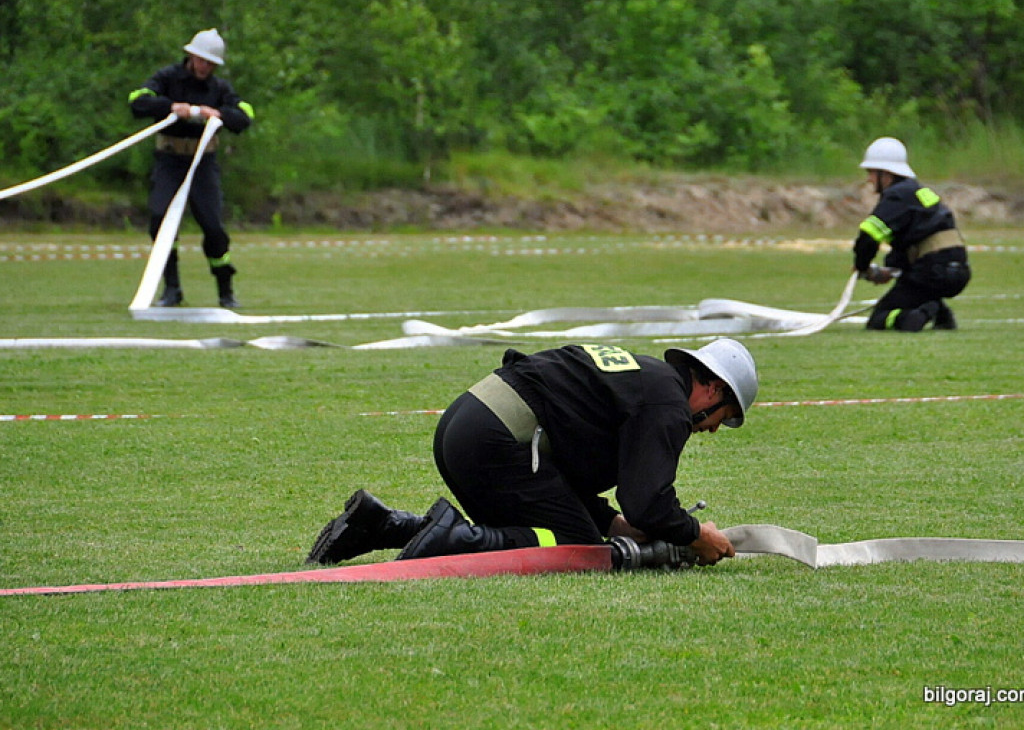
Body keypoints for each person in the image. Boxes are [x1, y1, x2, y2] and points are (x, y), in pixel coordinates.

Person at [307, 339, 758, 567]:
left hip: (471, 423)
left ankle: (384, 524)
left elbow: (564, 470)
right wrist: (696, 533)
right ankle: (451, 540)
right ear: (713, 388)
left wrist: (613, 523)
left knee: (565, 530)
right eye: (725, 415)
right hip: (496, 436)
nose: (715, 428)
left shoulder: (648, 380)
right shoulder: (668, 405)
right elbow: (648, 502)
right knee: (581, 551)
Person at [128, 29, 255, 308]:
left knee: (212, 227)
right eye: (201, 61)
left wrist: (219, 114)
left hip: (203, 164)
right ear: (191, 56)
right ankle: (171, 289)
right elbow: (137, 100)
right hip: (170, 160)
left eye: (211, 64)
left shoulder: (219, 89)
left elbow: (245, 116)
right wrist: (171, 107)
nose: (204, 67)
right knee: (160, 219)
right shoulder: (167, 78)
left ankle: (225, 289)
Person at [853, 137, 971, 331]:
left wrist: (862, 266)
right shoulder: (918, 192)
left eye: (871, 172)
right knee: (917, 291)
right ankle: (940, 313)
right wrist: (888, 271)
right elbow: (912, 246)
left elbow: (868, 236)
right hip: (957, 271)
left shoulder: (896, 195)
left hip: (932, 273)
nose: (868, 179)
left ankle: (916, 316)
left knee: (879, 319)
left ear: (886, 174)